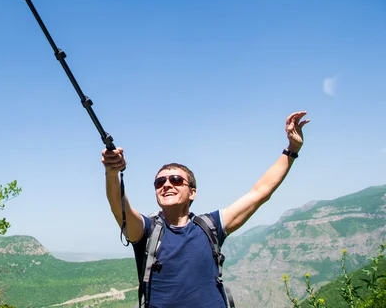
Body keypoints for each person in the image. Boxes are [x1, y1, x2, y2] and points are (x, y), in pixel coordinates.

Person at [102, 111, 310, 307]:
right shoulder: (147, 231)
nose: (166, 185)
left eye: (175, 180)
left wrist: (291, 150)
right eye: (159, 182)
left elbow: (260, 193)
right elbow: (118, 205)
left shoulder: (210, 226)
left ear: (192, 192)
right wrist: (112, 172)